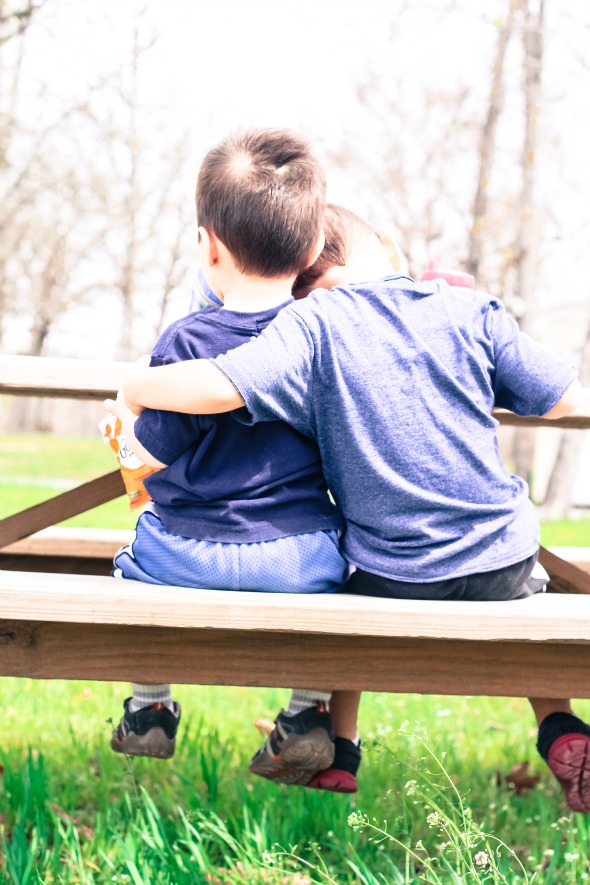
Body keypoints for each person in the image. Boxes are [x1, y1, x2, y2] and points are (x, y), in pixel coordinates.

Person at [117, 190, 590, 813]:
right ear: (385, 250)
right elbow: (565, 399)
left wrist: (134, 384)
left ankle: (341, 749)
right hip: (502, 561)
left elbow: (221, 385)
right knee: (517, 580)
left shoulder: (315, 325)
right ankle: (558, 722)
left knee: (345, 575)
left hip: (397, 575)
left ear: (310, 269)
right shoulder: (471, 310)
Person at [106, 129, 348, 774]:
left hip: (182, 554)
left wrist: (123, 422)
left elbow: (143, 464)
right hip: (301, 560)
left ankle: (150, 706)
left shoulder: (187, 340)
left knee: (129, 563)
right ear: (316, 244)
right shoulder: (328, 340)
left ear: (208, 247)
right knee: (343, 579)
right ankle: (305, 711)